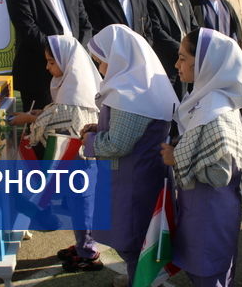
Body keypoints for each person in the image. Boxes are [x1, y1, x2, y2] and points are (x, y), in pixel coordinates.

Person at [81, 24, 179, 287]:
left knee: (132, 239)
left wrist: (89, 141)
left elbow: (117, 144)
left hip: (132, 181)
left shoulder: (131, 92)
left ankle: (140, 281)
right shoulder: (138, 84)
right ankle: (138, 277)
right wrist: (99, 127)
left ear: (119, 58)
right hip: (139, 176)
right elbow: (124, 129)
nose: (100, 68)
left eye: (101, 61)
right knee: (138, 236)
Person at [160, 28, 242, 286]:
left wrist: (176, 158)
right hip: (204, 208)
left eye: (182, 57)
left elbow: (220, 173)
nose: (176, 63)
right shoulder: (207, 99)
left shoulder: (215, 108)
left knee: (209, 273)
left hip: (210, 212)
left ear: (203, 62)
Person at [10, 35, 104, 272]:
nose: (47, 67)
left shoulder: (77, 93)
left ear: (68, 61)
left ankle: (89, 254)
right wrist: (43, 112)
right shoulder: (71, 84)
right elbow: (57, 112)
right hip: (73, 161)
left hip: (80, 161)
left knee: (82, 206)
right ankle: (82, 244)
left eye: (52, 62)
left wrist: (30, 118)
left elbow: (60, 121)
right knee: (76, 205)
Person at [5, 0, 92, 110]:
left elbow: (85, 26)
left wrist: (76, 56)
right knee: (41, 133)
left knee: (70, 132)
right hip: (40, 74)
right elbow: (27, 28)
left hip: (74, 74)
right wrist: (59, 57)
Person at [145, 0, 198, 99]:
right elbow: (156, 32)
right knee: (172, 109)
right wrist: (184, 51)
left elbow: (193, 26)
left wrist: (196, 49)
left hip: (190, 65)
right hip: (168, 65)